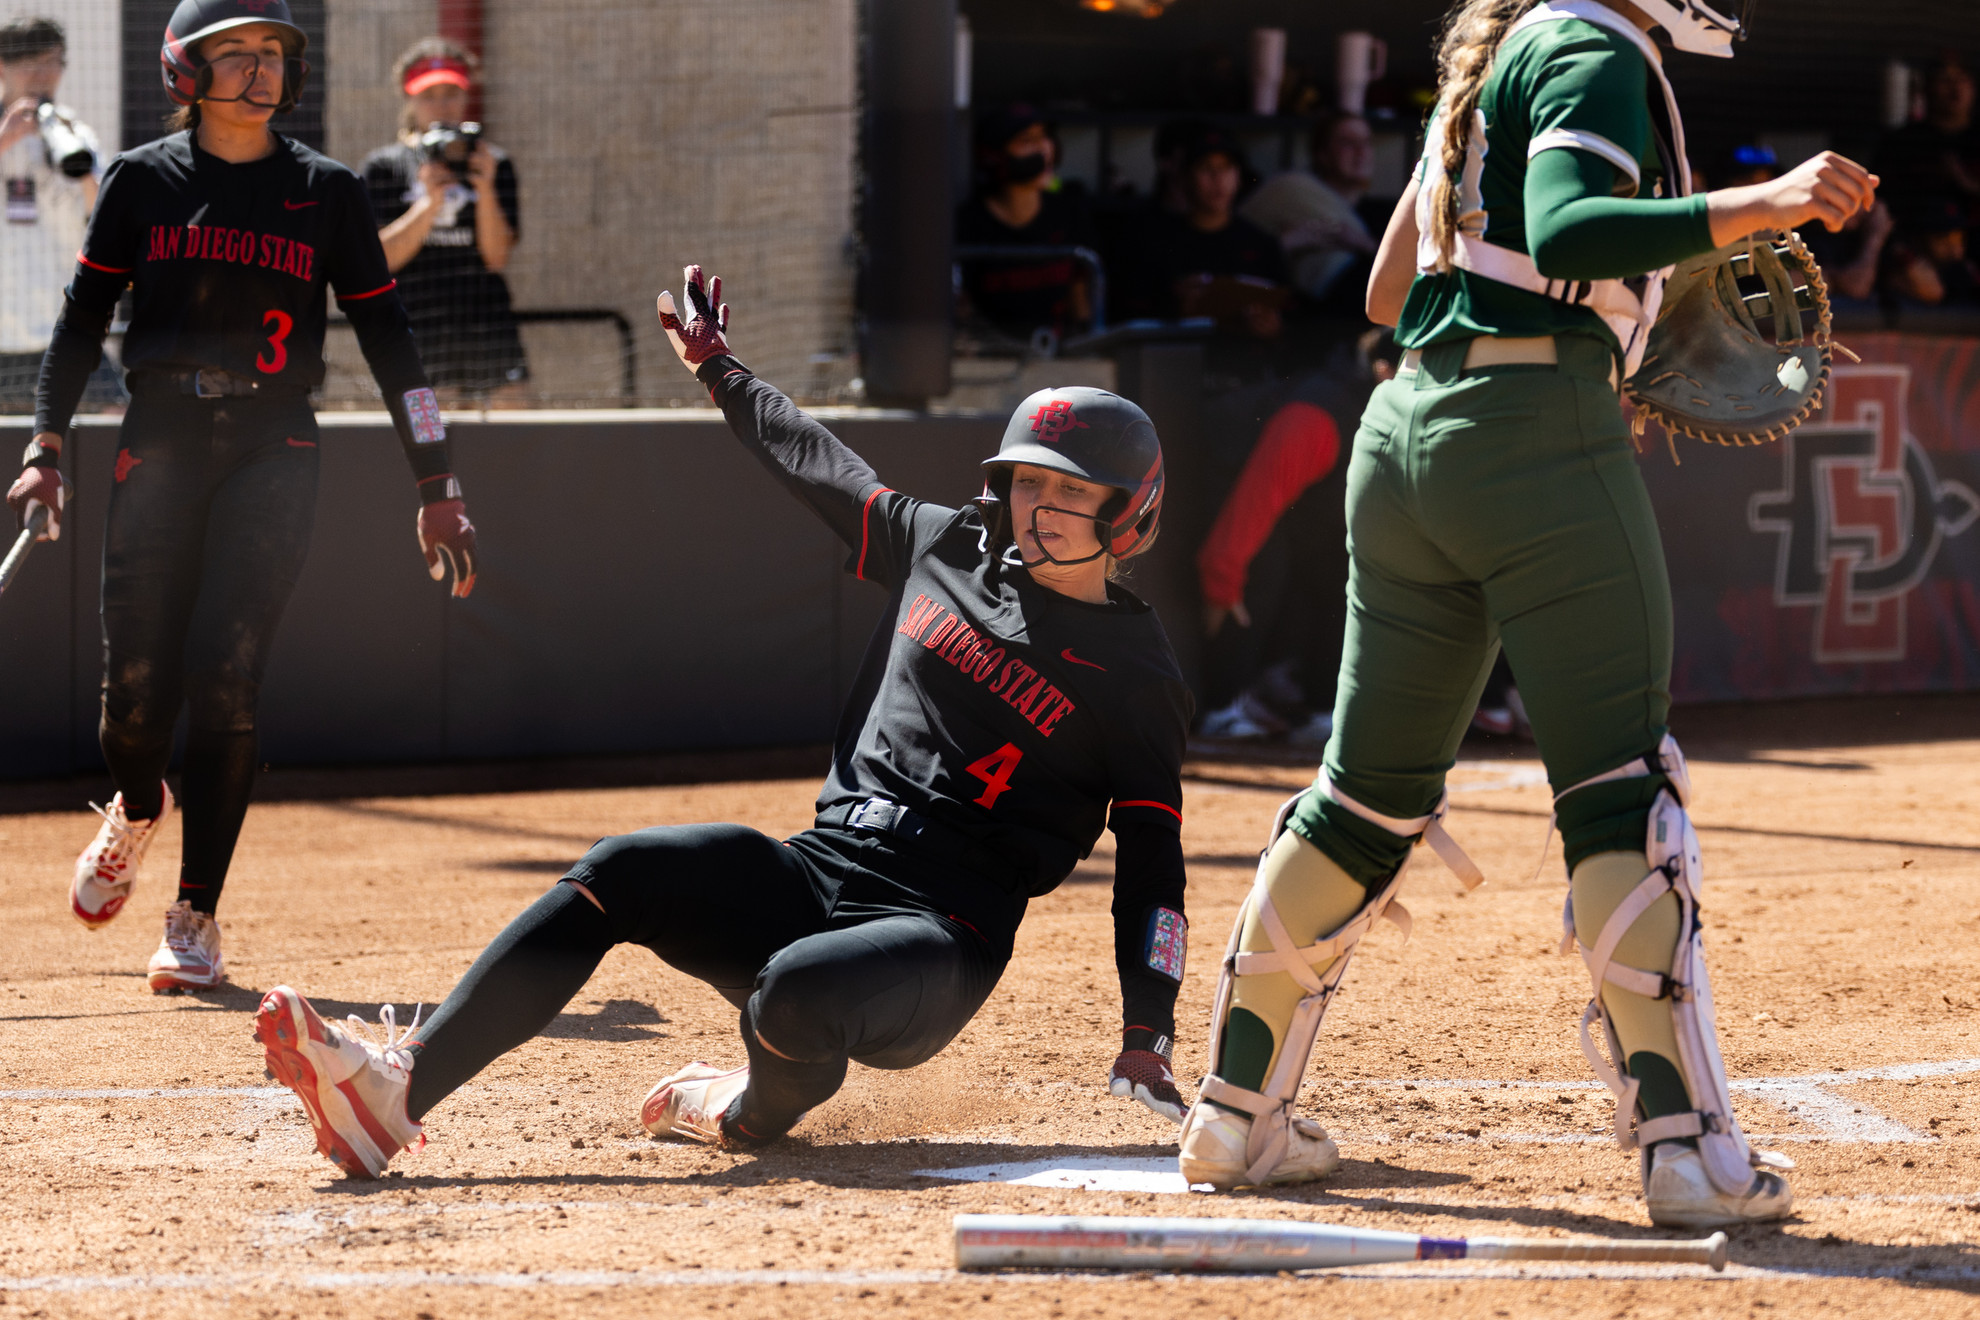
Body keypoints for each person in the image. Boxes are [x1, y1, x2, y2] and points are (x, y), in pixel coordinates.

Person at [1177, 0, 1877, 1233]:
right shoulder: (1600, 47)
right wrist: (1756, 209)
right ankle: (1689, 1154)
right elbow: (1566, 225)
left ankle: (1236, 1117)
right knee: (1620, 790)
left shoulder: (1492, 57)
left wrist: (1594, 320)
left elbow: (1396, 287)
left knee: (1363, 795)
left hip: (1405, 438)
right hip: (1534, 446)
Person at [252, 264, 1195, 1179]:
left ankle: (745, 1109)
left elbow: (1154, 864)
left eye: (1073, 491)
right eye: (1029, 483)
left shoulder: (1136, 674)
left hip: (938, 938)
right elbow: (819, 462)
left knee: (793, 993)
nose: (1043, 507)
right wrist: (718, 368)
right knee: (621, 871)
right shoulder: (947, 547)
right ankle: (396, 1093)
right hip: (819, 870)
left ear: (1132, 513)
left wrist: (1146, 1033)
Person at [4, 0, 480, 995]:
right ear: (185, 68)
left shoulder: (328, 192)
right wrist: (46, 447)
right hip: (158, 440)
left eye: (272, 55)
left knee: (225, 672)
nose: (260, 71)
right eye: (236, 54)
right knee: (132, 701)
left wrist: (436, 480)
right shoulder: (140, 181)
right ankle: (139, 805)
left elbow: (392, 344)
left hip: (277, 443)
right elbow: (82, 320)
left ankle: (195, 916)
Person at [362, 38, 527, 405]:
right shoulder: (385, 167)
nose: (441, 105)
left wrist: (484, 189)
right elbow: (380, 259)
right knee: (428, 434)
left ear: (466, 96)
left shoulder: (493, 162)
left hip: (486, 322)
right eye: (429, 95)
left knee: (514, 420)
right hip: (416, 323)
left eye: (451, 92)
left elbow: (497, 258)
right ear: (410, 99)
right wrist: (428, 202)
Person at [0, 18, 111, 412]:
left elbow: (104, 220)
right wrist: (5, 139)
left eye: (53, 63)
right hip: (4, 336)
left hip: (62, 330)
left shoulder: (74, 132)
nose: (42, 75)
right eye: (30, 63)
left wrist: (80, 165)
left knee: (111, 425)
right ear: (2, 67)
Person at [955, 104, 1098, 342]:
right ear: (994, 156)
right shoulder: (969, 225)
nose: (1043, 149)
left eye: (1044, 137)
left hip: (1059, 360)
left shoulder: (1069, 213)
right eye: (1026, 140)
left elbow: (1081, 302)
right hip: (992, 365)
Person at [1240, 112, 1388, 309]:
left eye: (1366, 142)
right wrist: (1287, 242)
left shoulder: (1379, 214)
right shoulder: (1291, 192)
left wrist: (1364, 244)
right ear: (1322, 154)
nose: (1361, 152)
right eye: (1347, 143)